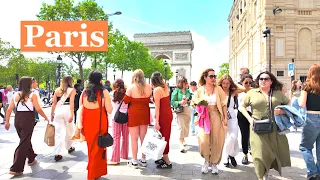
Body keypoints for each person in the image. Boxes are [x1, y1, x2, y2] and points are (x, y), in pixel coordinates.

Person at [239, 71, 291, 180]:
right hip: (257, 127)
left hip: (274, 128)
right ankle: (260, 176)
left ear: (271, 81)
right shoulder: (252, 93)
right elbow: (242, 107)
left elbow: (289, 106)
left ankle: (266, 172)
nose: (263, 81)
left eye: (266, 79)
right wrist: (250, 119)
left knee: (272, 152)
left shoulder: (277, 93)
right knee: (259, 153)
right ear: (258, 81)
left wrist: (281, 112)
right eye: (261, 79)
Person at [4, 77, 49, 176]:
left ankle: (31, 158)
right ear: (28, 84)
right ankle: (16, 168)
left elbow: (9, 109)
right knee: (23, 142)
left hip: (18, 118)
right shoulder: (32, 95)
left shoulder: (15, 94)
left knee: (25, 140)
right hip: (28, 118)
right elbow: (38, 109)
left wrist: (7, 121)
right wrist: (46, 117)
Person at [192, 68, 228, 174]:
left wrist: (225, 117)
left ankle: (214, 163)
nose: (213, 78)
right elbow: (193, 103)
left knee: (216, 139)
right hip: (204, 117)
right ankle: (206, 160)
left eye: (214, 76)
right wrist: (198, 106)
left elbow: (223, 104)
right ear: (205, 77)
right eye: (211, 76)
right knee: (203, 140)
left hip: (216, 114)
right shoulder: (200, 90)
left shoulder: (219, 89)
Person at [80, 71, 112, 179]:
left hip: (87, 123)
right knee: (98, 149)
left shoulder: (84, 92)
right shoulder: (104, 92)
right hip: (100, 124)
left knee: (91, 148)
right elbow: (110, 110)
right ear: (100, 80)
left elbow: (81, 107)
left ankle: (93, 170)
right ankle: (92, 174)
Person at [124, 69, 152, 168]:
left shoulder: (131, 87)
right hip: (144, 113)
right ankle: (143, 159)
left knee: (134, 138)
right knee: (143, 138)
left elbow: (125, 101)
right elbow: (149, 99)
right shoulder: (148, 87)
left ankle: (134, 160)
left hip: (133, 114)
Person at [218, 75, 245, 168]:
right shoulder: (218, 92)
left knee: (233, 137)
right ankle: (226, 157)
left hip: (232, 117)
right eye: (223, 83)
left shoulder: (232, 92)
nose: (225, 85)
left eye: (227, 83)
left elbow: (243, 88)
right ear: (221, 83)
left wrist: (233, 82)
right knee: (225, 138)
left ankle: (231, 154)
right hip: (221, 117)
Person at [299, 64, 320, 180]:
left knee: (305, 147)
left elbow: (302, 104)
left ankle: (313, 172)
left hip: (312, 117)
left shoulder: (307, 86)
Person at [51, 76, 76, 161]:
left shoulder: (57, 90)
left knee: (58, 133)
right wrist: (72, 114)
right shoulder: (72, 90)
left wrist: (52, 113)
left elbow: (54, 103)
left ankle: (58, 153)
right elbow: (72, 103)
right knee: (69, 130)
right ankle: (69, 147)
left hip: (58, 111)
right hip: (67, 109)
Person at [151, 72, 173, 169]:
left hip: (163, 116)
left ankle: (167, 160)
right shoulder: (165, 88)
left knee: (163, 137)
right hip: (168, 114)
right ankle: (164, 157)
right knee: (166, 137)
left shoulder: (156, 90)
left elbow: (158, 108)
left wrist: (156, 122)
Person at [108, 79, 129, 165]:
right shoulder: (127, 93)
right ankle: (124, 155)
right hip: (126, 117)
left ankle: (115, 158)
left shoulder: (112, 94)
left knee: (116, 137)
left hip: (116, 118)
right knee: (125, 137)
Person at [171, 77, 192, 153]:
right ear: (181, 83)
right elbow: (172, 102)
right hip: (179, 111)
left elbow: (190, 99)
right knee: (181, 126)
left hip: (187, 110)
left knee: (185, 126)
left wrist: (188, 101)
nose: (187, 84)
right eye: (185, 82)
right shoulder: (176, 91)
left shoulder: (187, 91)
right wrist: (179, 102)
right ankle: (181, 144)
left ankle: (183, 139)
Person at [237, 74, 253, 165]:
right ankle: (245, 154)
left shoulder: (254, 91)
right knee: (244, 135)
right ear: (242, 83)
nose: (248, 84)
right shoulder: (239, 91)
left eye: (250, 82)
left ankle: (254, 153)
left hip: (252, 114)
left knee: (253, 135)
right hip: (242, 114)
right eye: (246, 82)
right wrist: (243, 88)